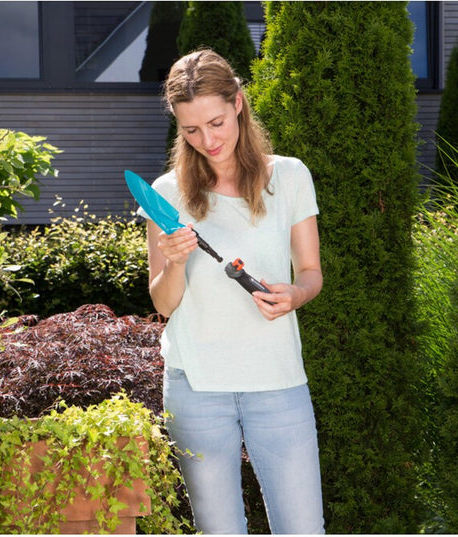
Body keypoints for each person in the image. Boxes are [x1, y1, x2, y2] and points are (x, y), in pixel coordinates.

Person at [138, 48, 324, 534]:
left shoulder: (289, 176)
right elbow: (163, 303)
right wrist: (175, 262)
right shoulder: (167, 192)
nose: (208, 140)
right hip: (198, 387)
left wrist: (294, 295)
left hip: (278, 381)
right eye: (191, 130)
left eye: (216, 122)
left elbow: (310, 272)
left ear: (238, 103)